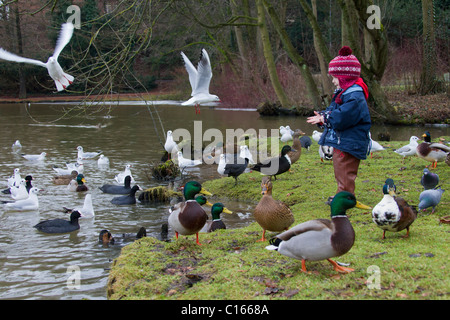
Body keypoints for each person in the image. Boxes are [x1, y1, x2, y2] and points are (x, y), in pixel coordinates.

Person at [307, 46, 371, 201]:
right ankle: (342, 193)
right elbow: (335, 111)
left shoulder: (354, 96)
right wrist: (324, 116)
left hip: (350, 142)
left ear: (345, 77)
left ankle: (345, 197)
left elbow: (343, 117)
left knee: (345, 170)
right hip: (343, 140)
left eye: (335, 77)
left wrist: (326, 119)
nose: (333, 81)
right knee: (339, 168)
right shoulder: (344, 93)